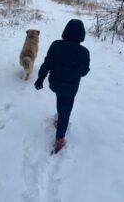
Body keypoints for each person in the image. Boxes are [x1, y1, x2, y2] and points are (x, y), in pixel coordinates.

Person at [34, 19, 90, 153]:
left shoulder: (56, 45)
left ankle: (59, 119)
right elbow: (84, 72)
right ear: (82, 34)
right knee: (66, 109)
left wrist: (40, 78)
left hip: (55, 83)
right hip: (71, 87)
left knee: (60, 99)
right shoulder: (84, 52)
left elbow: (47, 63)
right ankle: (59, 139)